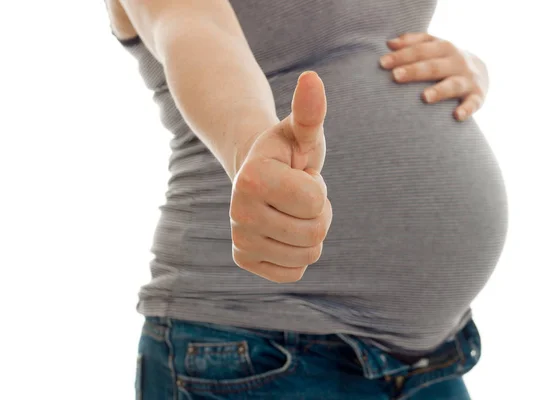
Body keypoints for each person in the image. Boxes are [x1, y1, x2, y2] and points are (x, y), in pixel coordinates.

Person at [105, 0, 508, 398]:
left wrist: (472, 67)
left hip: (433, 360)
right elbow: (191, 27)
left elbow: (364, 39)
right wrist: (249, 146)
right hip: (257, 347)